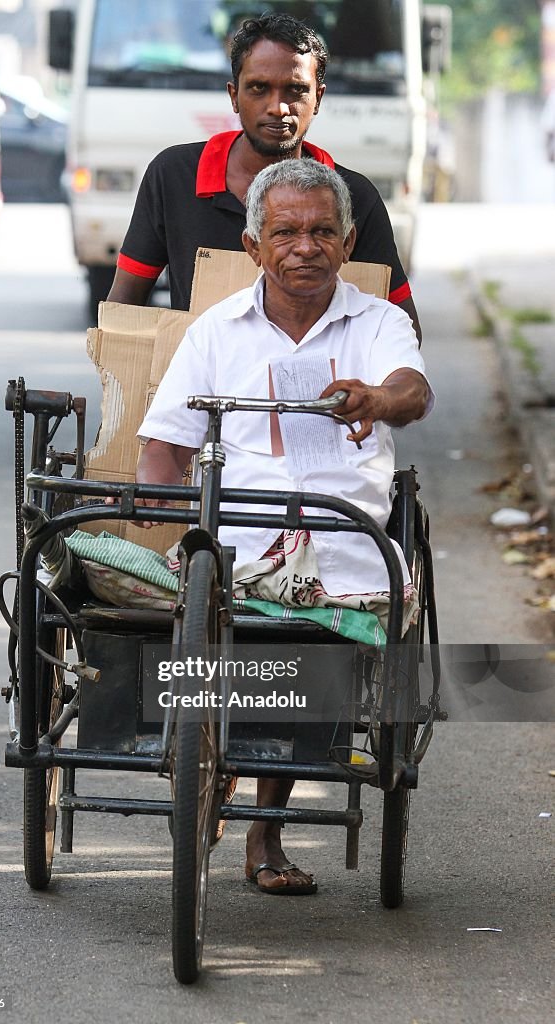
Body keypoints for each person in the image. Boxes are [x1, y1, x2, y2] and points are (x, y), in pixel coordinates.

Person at [134, 159, 433, 893]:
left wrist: (377, 398)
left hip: (345, 546)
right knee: (207, 619)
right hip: (233, 544)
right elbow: (162, 450)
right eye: (287, 232)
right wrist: (175, 532)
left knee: (320, 655)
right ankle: (206, 768)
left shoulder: (379, 322)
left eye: (323, 231)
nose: (306, 246)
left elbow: (412, 389)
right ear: (253, 245)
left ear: (348, 239)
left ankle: (265, 832)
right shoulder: (215, 333)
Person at [107, 13, 422, 343]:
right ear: (233, 95)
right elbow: (125, 306)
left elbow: (403, 329)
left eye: (296, 90)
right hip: (202, 391)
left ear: (318, 99)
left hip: (319, 392)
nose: (278, 107)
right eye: (259, 89)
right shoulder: (173, 176)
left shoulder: (354, 196)